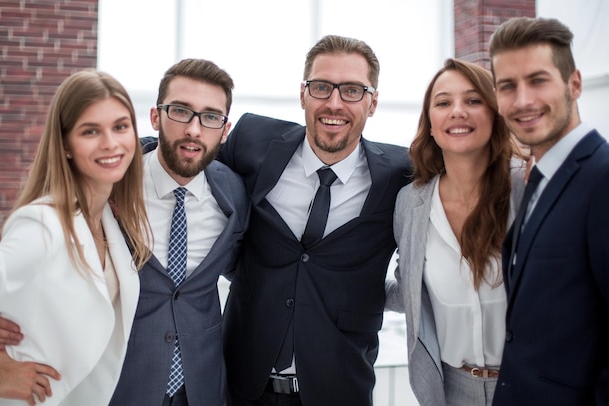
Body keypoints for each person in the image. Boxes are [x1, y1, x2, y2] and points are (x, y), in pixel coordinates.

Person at [218, 35, 413, 405]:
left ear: (372, 103)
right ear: (303, 94)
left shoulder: (401, 174)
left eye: (353, 90)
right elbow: (189, 161)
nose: (334, 103)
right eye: (322, 87)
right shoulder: (251, 141)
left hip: (340, 391)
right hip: (239, 387)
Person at [0, 69, 152, 405]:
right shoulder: (45, 224)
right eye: (91, 131)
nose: (111, 143)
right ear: (66, 145)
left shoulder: (109, 219)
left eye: (120, 126)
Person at [108, 59, 249, 406]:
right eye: (181, 111)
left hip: (202, 389)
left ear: (224, 129)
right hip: (119, 386)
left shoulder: (234, 195)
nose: (194, 130)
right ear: (156, 117)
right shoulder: (109, 184)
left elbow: (237, 268)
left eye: (210, 117)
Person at [385, 58, 525, 405]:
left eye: (474, 100)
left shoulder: (527, 189)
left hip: (529, 383)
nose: (457, 111)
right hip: (449, 390)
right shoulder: (411, 203)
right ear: (430, 124)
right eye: (444, 102)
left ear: (495, 114)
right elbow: (412, 291)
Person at [488, 17, 609, 404]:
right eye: (508, 86)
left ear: (574, 83)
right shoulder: (538, 180)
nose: (523, 100)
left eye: (538, 80)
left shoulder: (602, 177)